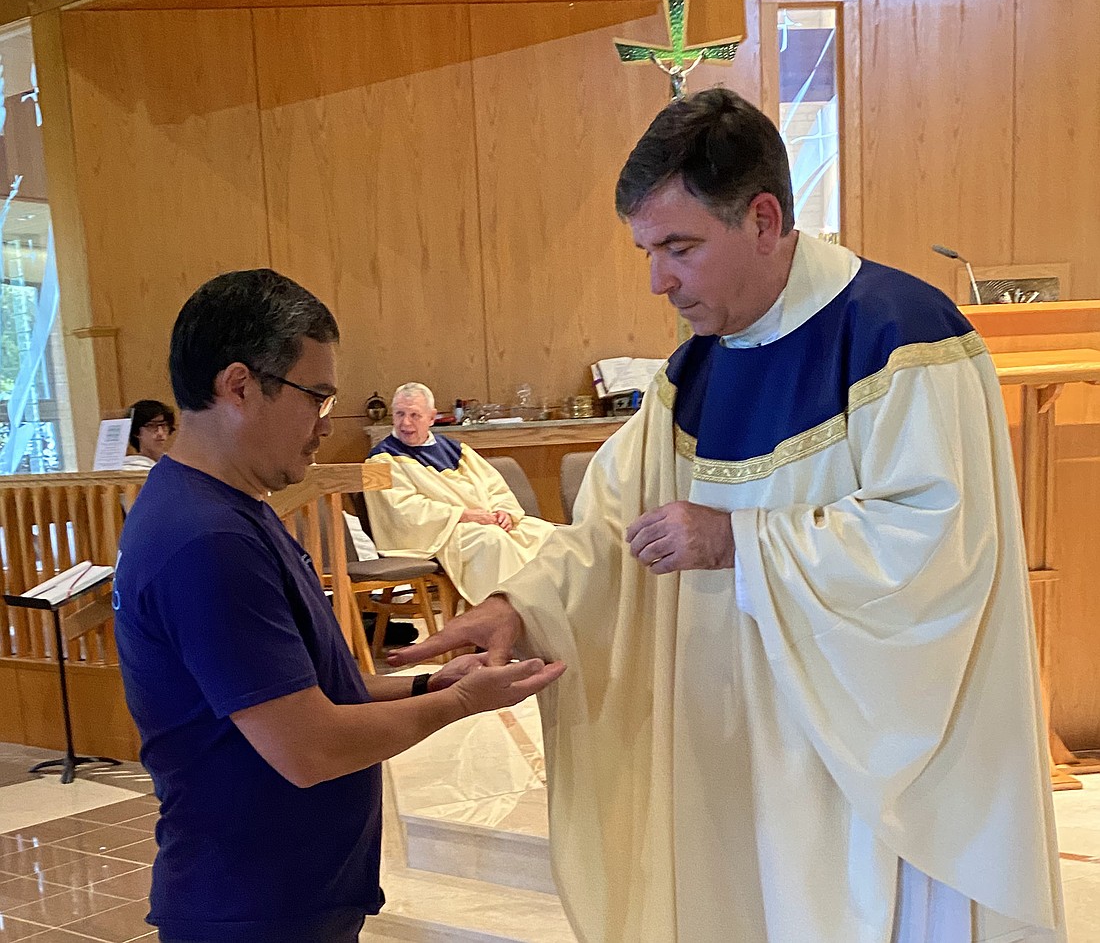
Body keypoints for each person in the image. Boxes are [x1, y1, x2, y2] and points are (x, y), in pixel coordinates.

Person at [391, 90, 1066, 943]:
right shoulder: (693, 373)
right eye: (647, 250)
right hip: (731, 757)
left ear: (762, 217)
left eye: (679, 247)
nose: (657, 280)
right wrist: (517, 605)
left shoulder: (902, 338)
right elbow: (609, 531)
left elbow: (937, 545)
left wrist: (737, 538)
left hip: (862, 773)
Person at [112, 269, 564, 943]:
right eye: (317, 397)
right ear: (238, 385)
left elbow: (298, 693)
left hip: (285, 895)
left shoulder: (230, 509)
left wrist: (426, 682)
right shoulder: (204, 538)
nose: (329, 424)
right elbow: (309, 745)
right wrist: (462, 704)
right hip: (254, 907)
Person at [364, 382, 555, 605]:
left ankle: (550, 612)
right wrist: (464, 515)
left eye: (415, 415)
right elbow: (404, 510)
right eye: (399, 414)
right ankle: (504, 620)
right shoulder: (381, 459)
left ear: (432, 417)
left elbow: (494, 486)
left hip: (482, 522)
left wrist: (504, 511)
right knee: (491, 542)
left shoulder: (456, 450)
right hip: (442, 533)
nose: (406, 423)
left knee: (546, 534)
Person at [122, 399, 175, 469]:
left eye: (164, 425)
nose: (160, 433)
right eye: (151, 426)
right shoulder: (129, 468)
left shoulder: (175, 464)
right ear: (136, 432)